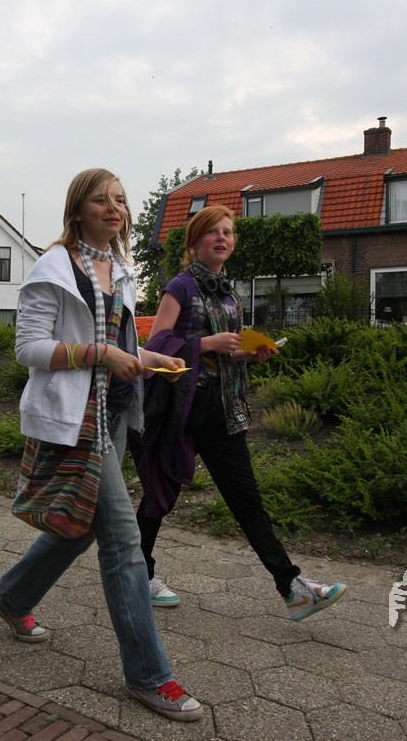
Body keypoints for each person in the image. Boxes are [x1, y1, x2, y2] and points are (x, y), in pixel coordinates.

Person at [0, 168, 202, 722]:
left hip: (114, 415)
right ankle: (149, 676)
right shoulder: (54, 267)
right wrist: (100, 355)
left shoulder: (122, 270)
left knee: (82, 525)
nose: (115, 209)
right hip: (74, 418)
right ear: (78, 210)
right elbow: (29, 348)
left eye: (121, 201)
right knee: (124, 540)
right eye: (101, 200)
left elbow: (117, 342)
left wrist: (152, 359)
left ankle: (12, 596)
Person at [130, 204, 347, 620]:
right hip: (184, 407)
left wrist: (250, 352)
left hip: (225, 408)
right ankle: (138, 573)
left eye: (228, 232)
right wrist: (206, 344)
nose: (222, 238)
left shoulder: (229, 293)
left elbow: (227, 353)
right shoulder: (180, 286)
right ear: (195, 241)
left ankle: (293, 588)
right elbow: (155, 346)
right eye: (213, 231)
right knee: (162, 494)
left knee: (247, 500)